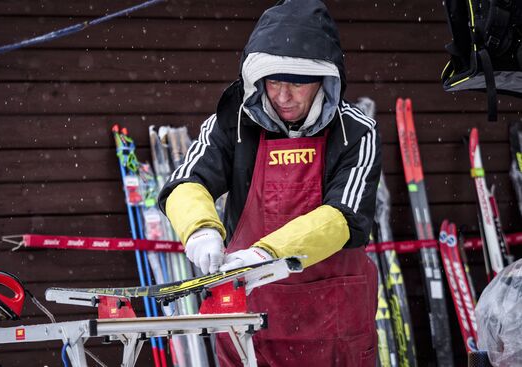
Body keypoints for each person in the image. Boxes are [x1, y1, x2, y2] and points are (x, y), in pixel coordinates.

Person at [158, 0, 381, 365]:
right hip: (250, 323)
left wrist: (267, 255)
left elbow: (344, 217)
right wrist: (199, 230)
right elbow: (187, 180)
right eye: (274, 82)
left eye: (296, 85)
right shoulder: (234, 124)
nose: (282, 97)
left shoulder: (356, 131)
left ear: (323, 81)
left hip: (334, 324)